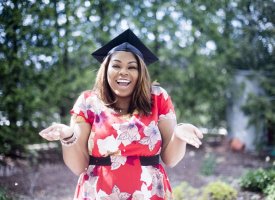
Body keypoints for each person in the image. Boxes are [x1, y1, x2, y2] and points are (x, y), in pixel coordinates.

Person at [39, 29, 203, 200]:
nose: (123, 71)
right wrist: (68, 136)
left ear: (141, 73)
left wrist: (179, 135)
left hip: (149, 193)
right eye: (116, 65)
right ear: (105, 70)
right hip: (98, 193)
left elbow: (171, 159)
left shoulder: (158, 98)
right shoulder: (88, 102)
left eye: (132, 67)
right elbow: (78, 166)